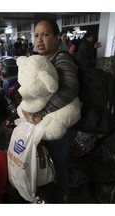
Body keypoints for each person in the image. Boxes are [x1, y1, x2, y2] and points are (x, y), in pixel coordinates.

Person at [21, 19, 79, 202]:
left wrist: (40, 113)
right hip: (42, 121)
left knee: (58, 160)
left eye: (45, 34)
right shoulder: (39, 60)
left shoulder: (61, 59)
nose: (39, 39)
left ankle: (62, 195)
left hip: (59, 123)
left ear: (56, 38)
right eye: (37, 35)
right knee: (44, 158)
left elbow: (70, 89)